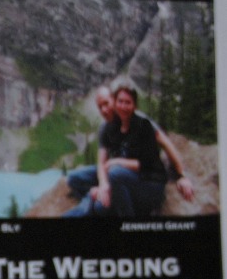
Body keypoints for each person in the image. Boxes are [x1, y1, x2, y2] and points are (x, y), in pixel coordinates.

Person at [65, 83, 194, 217]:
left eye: (106, 104)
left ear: (113, 101)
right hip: (119, 174)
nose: (103, 110)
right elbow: (101, 161)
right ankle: (100, 195)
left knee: (102, 203)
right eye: (100, 107)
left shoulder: (140, 122)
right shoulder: (106, 127)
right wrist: (103, 185)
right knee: (74, 178)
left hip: (139, 177)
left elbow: (166, 145)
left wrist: (182, 175)